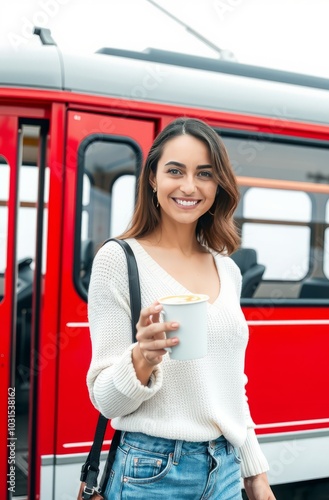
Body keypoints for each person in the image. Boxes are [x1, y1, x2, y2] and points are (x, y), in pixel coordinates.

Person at [87, 117, 276, 499]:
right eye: (175, 171)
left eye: (204, 174)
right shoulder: (118, 259)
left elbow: (232, 385)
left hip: (225, 468)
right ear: (153, 178)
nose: (189, 186)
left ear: (217, 184)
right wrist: (142, 357)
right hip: (150, 471)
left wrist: (255, 475)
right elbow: (105, 400)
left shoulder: (227, 267)